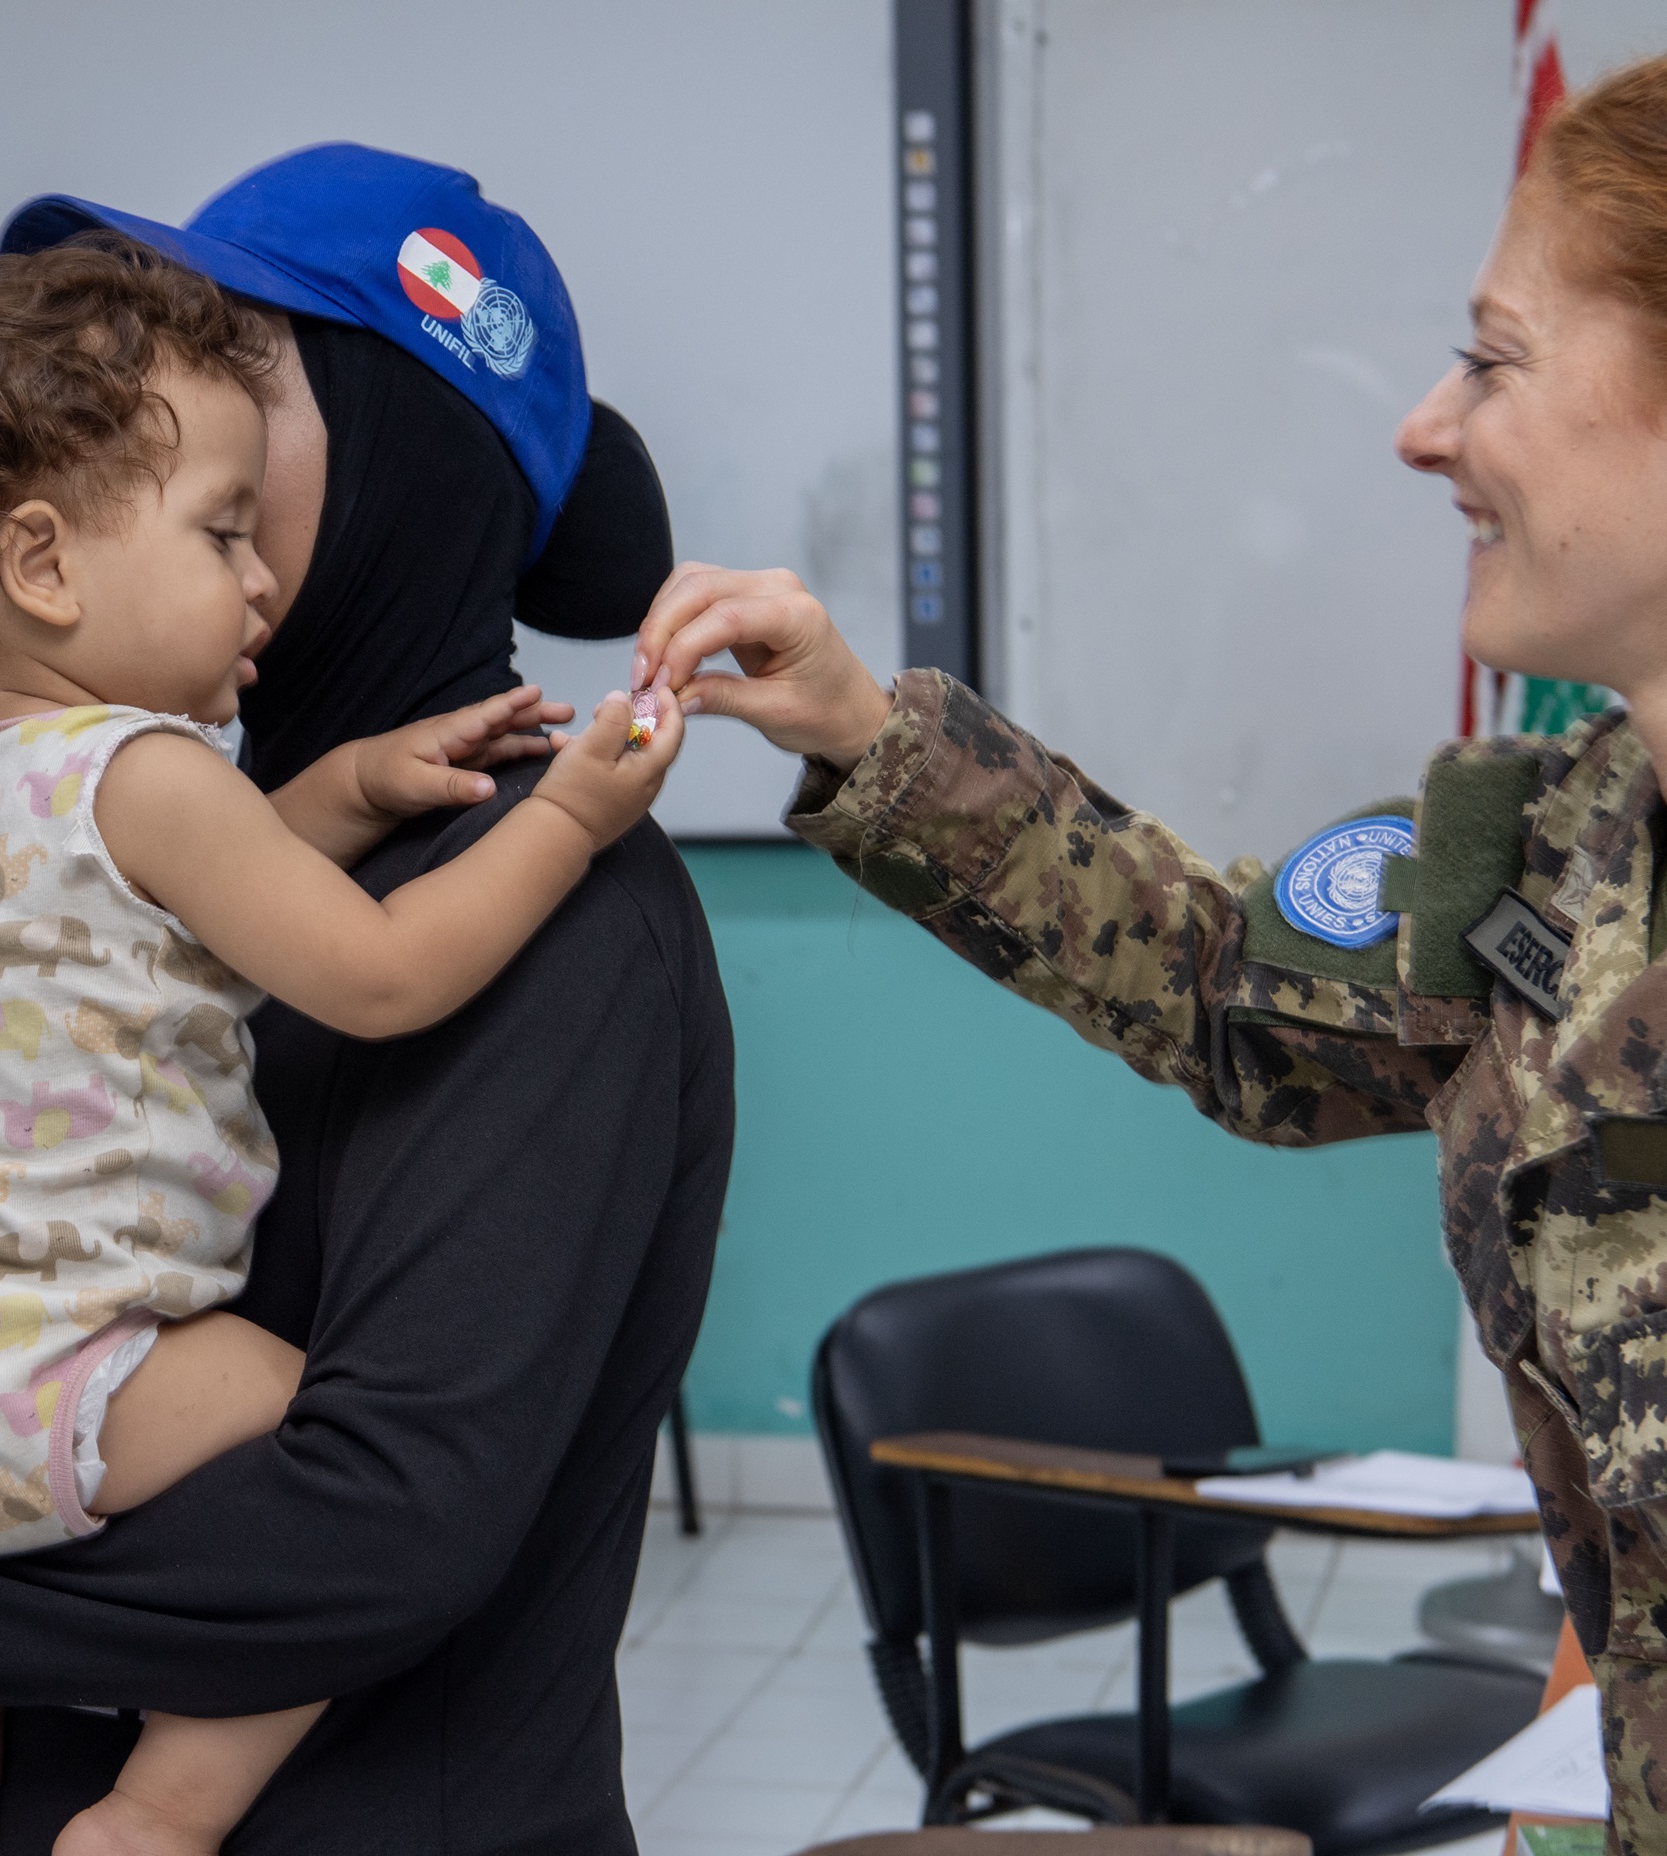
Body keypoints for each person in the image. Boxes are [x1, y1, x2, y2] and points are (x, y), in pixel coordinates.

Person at [629, 53, 1667, 1845]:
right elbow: (1217, 988)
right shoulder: (1539, 849)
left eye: (1493, 360)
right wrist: (866, 732)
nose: (1425, 426)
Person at [0, 144, 740, 1853]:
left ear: (406, 447)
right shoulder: (149, 832)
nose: (136, 428)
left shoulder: (561, 920)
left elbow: (380, 1520)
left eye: (229, 379)